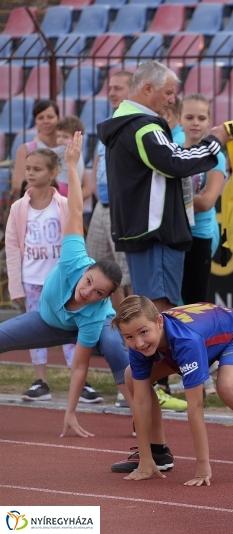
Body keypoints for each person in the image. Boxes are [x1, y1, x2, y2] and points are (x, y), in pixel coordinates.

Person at [0, 131, 132, 437]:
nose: (87, 291)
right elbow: (75, 209)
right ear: (85, 271)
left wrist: (70, 412)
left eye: (98, 292)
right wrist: (73, 165)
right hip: (49, 320)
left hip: (91, 326)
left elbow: (80, 367)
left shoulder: (94, 312)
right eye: (88, 283)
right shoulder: (74, 256)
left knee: (114, 348)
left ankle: (142, 414)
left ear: (105, 298)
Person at [96, 60, 233, 315]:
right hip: (157, 232)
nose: (172, 100)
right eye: (169, 93)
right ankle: (164, 357)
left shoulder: (125, 123)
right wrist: (215, 141)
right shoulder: (143, 126)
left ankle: (148, 355)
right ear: (148, 89)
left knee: (148, 309)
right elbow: (175, 162)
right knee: (161, 310)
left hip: (141, 229)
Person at [109, 296, 233, 486]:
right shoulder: (140, 339)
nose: (139, 343)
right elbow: (140, 402)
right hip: (201, 336)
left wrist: (202, 465)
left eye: (143, 332)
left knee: (227, 387)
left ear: (159, 322)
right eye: (130, 337)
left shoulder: (186, 341)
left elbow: (195, 406)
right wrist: (144, 461)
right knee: (131, 376)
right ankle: (157, 453)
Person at [6, 147, 83, 402]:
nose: (30, 173)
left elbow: (75, 240)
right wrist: (16, 287)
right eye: (28, 168)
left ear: (53, 173)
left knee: (71, 330)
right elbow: (13, 248)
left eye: (37, 169)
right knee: (35, 331)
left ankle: (79, 381)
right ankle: (41, 381)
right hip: (32, 282)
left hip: (60, 282)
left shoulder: (63, 205)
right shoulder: (18, 208)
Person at [86, 71, 133, 305]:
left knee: (126, 276)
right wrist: (97, 193)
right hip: (101, 207)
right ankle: (112, 325)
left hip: (122, 208)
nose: (112, 93)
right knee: (97, 270)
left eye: (118, 88)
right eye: (110, 88)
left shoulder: (133, 123)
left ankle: (132, 324)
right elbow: (97, 162)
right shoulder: (109, 123)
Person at [178, 94, 226, 305]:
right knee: (172, 299)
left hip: (199, 235)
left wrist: (172, 200)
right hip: (174, 235)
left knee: (194, 301)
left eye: (201, 118)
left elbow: (207, 202)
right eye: (189, 117)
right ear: (179, 119)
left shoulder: (216, 157)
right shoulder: (173, 149)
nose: (195, 123)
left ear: (209, 120)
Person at [11, 100, 60, 196]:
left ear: (58, 118)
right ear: (35, 121)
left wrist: (67, 200)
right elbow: (17, 183)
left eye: (50, 117)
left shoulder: (68, 149)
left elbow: (86, 188)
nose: (46, 121)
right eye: (40, 118)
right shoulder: (25, 149)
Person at [53, 116, 86, 198]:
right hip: (73, 187)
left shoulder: (65, 148)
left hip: (64, 186)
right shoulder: (77, 150)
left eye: (65, 137)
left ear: (76, 138)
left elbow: (47, 153)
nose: (60, 139)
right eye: (58, 136)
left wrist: (37, 143)